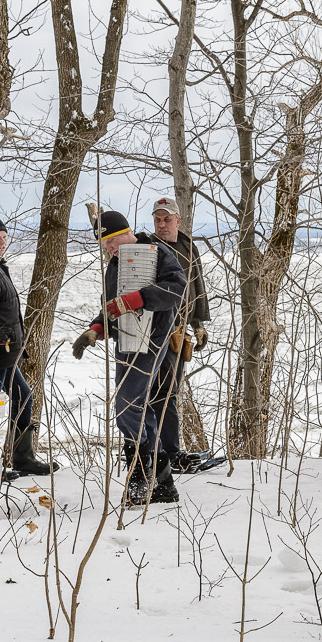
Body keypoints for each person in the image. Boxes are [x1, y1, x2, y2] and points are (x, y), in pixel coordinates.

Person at [71, 211, 187, 504]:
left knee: (127, 405)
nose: (108, 247)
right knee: (139, 408)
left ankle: (138, 476)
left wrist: (138, 299)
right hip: (125, 340)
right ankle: (163, 484)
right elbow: (112, 306)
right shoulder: (114, 264)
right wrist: (95, 330)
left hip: (152, 338)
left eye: (110, 240)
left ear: (126, 231)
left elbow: (176, 288)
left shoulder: (155, 251)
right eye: (103, 243)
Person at [0, 215, 59, 477]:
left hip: (5, 353)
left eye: (5, 238)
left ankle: (23, 458)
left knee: (23, 397)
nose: (2, 243)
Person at [146, 196, 211, 472]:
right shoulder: (148, 247)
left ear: (178, 220)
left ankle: (170, 451)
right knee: (160, 392)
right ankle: (166, 452)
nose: (162, 225)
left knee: (171, 391)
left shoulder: (187, 246)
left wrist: (199, 323)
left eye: (167, 219)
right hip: (158, 329)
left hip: (180, 331)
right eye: (158, 220)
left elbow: (197, 285)